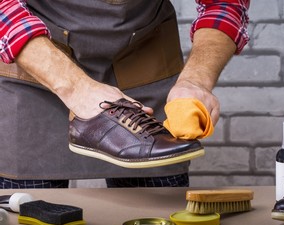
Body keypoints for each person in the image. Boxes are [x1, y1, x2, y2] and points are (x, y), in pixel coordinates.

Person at [0, 0, 250, 189]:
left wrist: (196, 81)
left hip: (143, 57)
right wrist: (77, 88)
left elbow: (223, 3)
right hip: (35, 64)